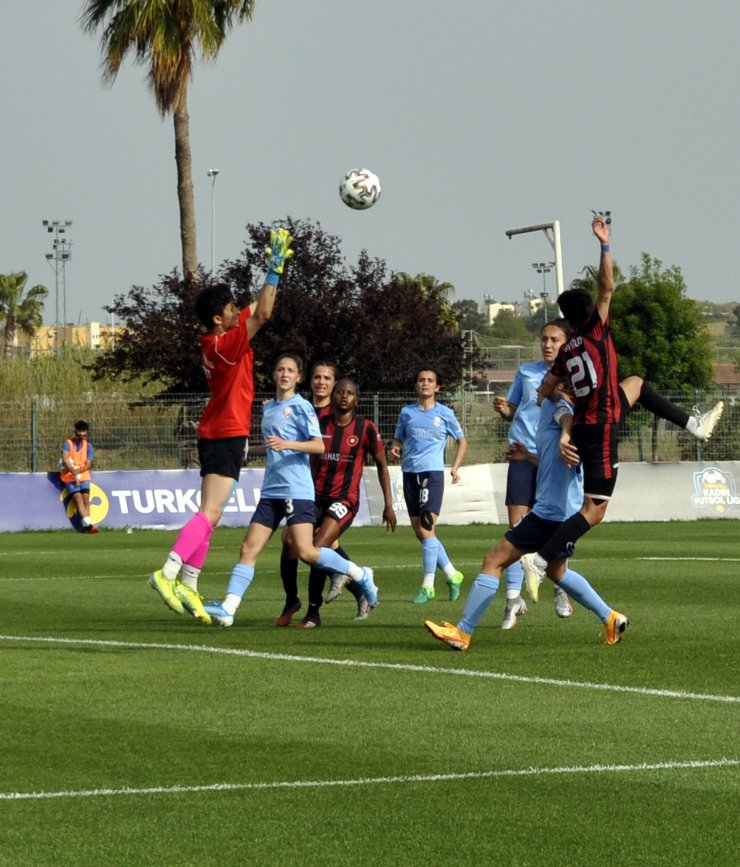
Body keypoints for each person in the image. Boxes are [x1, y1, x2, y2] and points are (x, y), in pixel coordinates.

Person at [521, 215, 724, 595]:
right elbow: (608, 284)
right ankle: (541, 559)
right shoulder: (596, 330)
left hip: (589, 422)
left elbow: (543, 389)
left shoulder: (567, 351)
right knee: (594, 511)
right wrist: (604, 244)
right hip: (601, 427)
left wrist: (562, 398)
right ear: (589, 311)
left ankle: (694, 424)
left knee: (635, 384)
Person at [148, 226, 294, 624]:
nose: (236, 311)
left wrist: (270, 278)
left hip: (217, 431)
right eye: (229, 309)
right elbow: (262, 313)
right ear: (218, 319)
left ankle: (190, 585)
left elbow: (257, 306)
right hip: (227, 432)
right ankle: (169, 571)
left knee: (208, 512)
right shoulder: (227, 344)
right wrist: (275, 267)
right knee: (211, 512)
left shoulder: (217, 339)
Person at [424, 374, 630, 650]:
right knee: (559, 573)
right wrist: (530, 456)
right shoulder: (567, 413)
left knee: (494, 560)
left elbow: (564, 418)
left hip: (548, 514)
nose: (537, 389)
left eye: (543, 384)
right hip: (563, 513)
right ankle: (611, 618)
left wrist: (566, 433)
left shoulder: (556, 407)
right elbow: (556, 454)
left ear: (557, 388)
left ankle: (463, 632)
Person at [204, 354, 379, 628]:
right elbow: (273, 444)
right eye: (280, 370)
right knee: (248, 548)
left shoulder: (302, 407)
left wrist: (289, 444)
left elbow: (318, 446)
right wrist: (246, 451)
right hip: (271, 489)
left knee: (307, 552)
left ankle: (360, 574)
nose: (285, 374)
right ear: (274, 375)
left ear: (298, 378)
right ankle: (229, 607)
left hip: (297, 490)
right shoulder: (269, 407)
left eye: (291, 371)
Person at [280, 377, 397, 628]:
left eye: (350, 393)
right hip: (314, 496)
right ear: (332, 397)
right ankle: (348, 580)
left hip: (345, 499)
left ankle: (313, 612)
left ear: (357, 399)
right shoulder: (319, 423)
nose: (344, 396)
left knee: (317, 546)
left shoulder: (365, 428)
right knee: (290, 541)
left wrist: (389, 504)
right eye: (340, 392)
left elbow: (382, 465)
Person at [493, 319, 572, 627]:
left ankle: (560, 586)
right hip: (522, 455)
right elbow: (518, 409)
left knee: (559, 528)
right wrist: (504, 411)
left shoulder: (571, 379)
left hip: (553, 460)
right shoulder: (526, 372)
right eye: (544, 339)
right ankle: (513, 600)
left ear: (566, 344)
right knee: (516, 530)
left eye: (554, 339)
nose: (547, 344)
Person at [389, 367, 467, 604]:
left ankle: (428, 586)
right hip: (409, 474)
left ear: (437, 387)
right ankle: (453, 575)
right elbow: (398, 439)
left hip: (431, 475)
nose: (425, 383)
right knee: (421, 532)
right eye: (421, 380)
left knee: (426, 529)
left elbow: (462, 442)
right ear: (416, 386)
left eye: (430, 381)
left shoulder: (444, 413)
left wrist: (454, 467)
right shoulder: (407, 413)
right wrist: (395, 448)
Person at [59, 420, 98, 534]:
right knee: (78, 498)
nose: (81, 437)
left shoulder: (88, 446)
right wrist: (73, 471)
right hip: (69, 476)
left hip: (83, 474)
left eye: (84, 434)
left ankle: (87, 526)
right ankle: (89, 525)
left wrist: (79, 471)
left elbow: (89, 464)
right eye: (79, 434)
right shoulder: (68, 444)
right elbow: (65, 458)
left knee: (86, 499)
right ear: (75, 432)